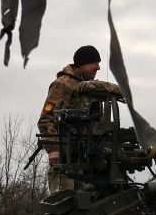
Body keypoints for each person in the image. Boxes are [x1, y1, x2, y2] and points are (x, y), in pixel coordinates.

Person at [38, 44, 115, 192]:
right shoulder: (62, 85)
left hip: (85, 157)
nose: (98, 68)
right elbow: (46, 119)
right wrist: (53, 149)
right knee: (64, 201)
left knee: (87, 202)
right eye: (95, 63)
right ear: (83, 64)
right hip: (65, 157)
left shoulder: (88, 88)